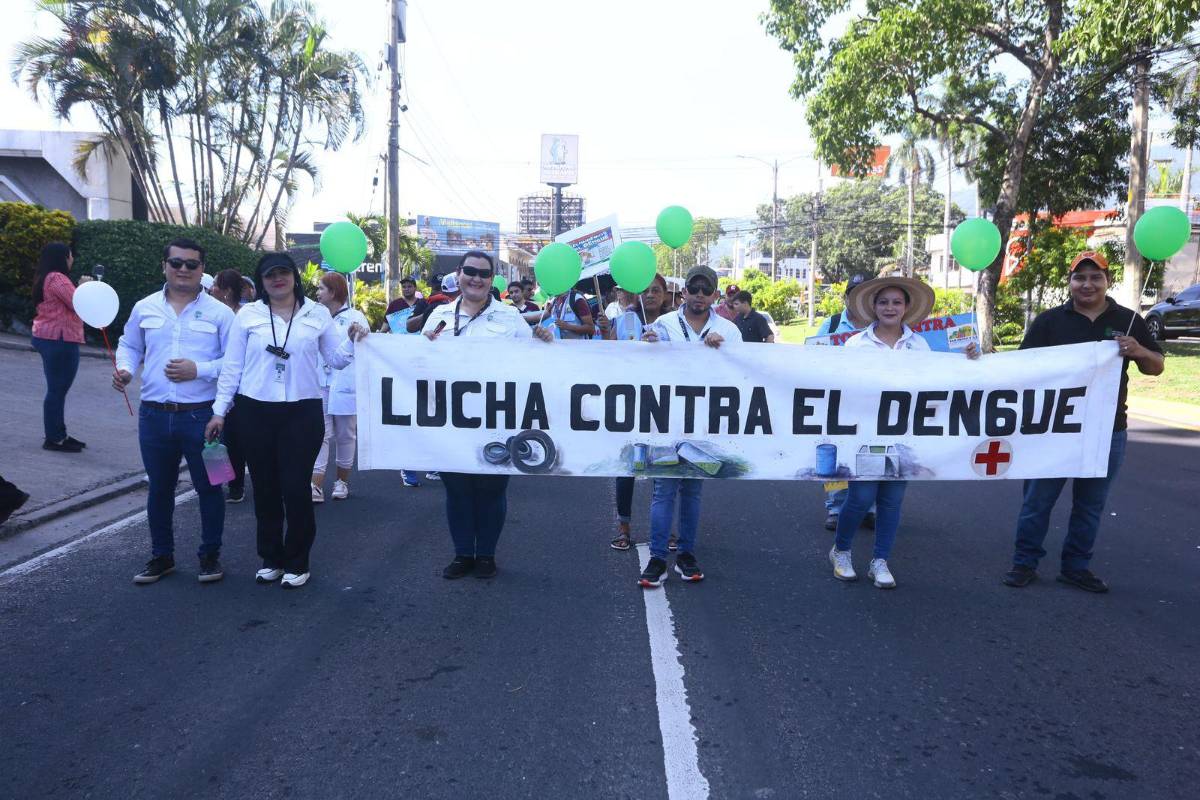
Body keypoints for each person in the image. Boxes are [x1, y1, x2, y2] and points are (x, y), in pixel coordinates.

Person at [1002, 251, 1164, 593]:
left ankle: (1076, 567)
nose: (1087, 284)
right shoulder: (1049, 321)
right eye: (1080, 277)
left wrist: (1139, 351)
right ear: (1070, 282)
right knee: (1037, 502)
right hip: (1053, 430)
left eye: (1095, 277)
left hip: (1107, 431)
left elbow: (1156, 366)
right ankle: (1024, 563)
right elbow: (1023, 368)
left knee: (1090, 505)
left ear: (1107, 281)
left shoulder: (1129, 320)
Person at [204, 253, 366, 589]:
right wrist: (220, 411)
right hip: (254, 410)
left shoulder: (316, 313)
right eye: (269, 275)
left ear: (294, 276)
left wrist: (354, 339)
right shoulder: (248, 315)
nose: (277, 279)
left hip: (302, 411)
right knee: (264, 487)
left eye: (283, 273)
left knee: (295, 488)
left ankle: (297, 559)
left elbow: (336, 360)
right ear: (260, 281)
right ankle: (270, 557)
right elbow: (232, 367)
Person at [828, 276, 979, 590]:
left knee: (892, 500)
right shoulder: (857, 345)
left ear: (907, 308)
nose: (889, 307)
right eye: (883, 302)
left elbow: (937, 378)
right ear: (873, 306)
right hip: (866, 435)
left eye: (897, 302)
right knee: (860, 497)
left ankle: (880, 561)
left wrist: (969, 361)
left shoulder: (918, 344)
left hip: (904, 435)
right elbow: (839, 385)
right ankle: (841, 551)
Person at [422, 251, 554, 580]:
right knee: (457, 490)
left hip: (497, 419)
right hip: (451, 419)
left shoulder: (509, 318)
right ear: (459, 274)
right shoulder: (438, 316)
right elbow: (416, 362)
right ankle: (463, 554)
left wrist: (545, 343)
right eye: (470, 272)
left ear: (491, 279)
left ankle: (486, 556)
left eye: (483, 273)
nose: (476, 278)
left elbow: (532, 364)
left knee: (491, 488)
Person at [114, 239, 236, 584]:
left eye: (192, 264)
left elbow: (236, 362)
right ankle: (161, 555)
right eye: (177, 262)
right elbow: (129, 344)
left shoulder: (220, 314)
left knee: (213, 487)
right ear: (164, 265)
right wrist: (125, 369)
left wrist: (199, 370)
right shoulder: (145, 307)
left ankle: (210, 555)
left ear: (202, 270)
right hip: (153, 416)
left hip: (205, 418)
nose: (183, 269)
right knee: (159, 489)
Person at [638, 265, 743, 589]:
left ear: (714, 295)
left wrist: (724, 350)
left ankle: (685, 553)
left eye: (705, 290)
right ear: (683, 292)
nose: (699, 295)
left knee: (693, 489)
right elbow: (643, 365)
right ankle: (657, 558)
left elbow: (743, 372)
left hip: (705, 420)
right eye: (693, 289)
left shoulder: (728, 329)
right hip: (665, 417)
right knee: (663, 489)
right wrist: (647, 345)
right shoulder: (664, 324)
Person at [604, 273, 670, 551]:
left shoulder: (675, 325)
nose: (651, 295)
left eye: (656, 290)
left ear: (665, 294)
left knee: (667, 468)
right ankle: (623, 526)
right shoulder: (623, 321)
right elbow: (609, 359)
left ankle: (667, 530)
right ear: (635, 294)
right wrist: (608, 336)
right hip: (630, 404)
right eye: (645, 290)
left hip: (666, 405)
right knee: (627, 467)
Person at [816, 273, 873, 531]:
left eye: (865, 293)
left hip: (872, 404)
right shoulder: (832, 324)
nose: (859, 298)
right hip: (837, 403)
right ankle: (836, 508)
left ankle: (869, 509)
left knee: (871, 453)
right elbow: (811, 357)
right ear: (847, 297)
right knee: (836, 455)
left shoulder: (882, 324)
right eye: (854, 293)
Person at [311, 271, 370, 502]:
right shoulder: (314, 316)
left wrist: (361, 333)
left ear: (333, 292)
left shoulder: (356, 316)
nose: (317, 293)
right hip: (319, 383)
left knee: (346, 434)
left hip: (345, 383)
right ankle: (316, 485)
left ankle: (342, 482)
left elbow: (365, 345)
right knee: (320, 435)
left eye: (321, 289)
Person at [30, 242, 91, 453]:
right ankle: (54, 438)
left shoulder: (46, 277)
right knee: (57, 390)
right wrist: (84, 285)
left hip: (51, 338)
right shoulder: (57, 278)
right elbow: (78, 303)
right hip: (59, 339)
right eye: (70, 255)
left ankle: (59, 434)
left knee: (58, 390)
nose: (72, 259)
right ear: (63, 257)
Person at [211, 269, 250, 502]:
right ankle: (216, 482)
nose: (212, 288)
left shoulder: (244, 315)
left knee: (233, 439)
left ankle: (236, 487)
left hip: (238, 386)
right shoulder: (209, 312)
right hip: (210, 384)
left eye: (216, 284)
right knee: (212, 437)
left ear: (226, 291)